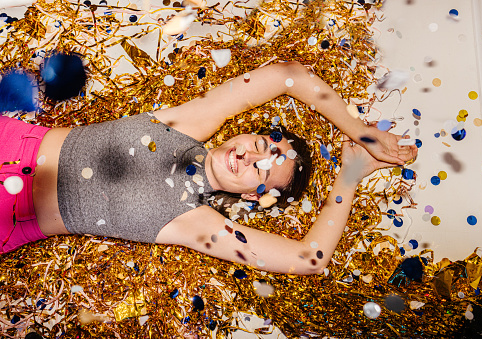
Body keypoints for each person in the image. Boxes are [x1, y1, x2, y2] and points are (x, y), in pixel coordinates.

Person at [0, 61, 417, 275]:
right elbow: (287, 76)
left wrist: (348, 177)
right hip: (12, 141)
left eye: (263, 171)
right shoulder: (187, 125)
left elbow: (311, 258)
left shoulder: (196, 223)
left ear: (257, 195)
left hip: (10, 219)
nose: (250, 157)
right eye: (259, 145)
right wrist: (361, 130)